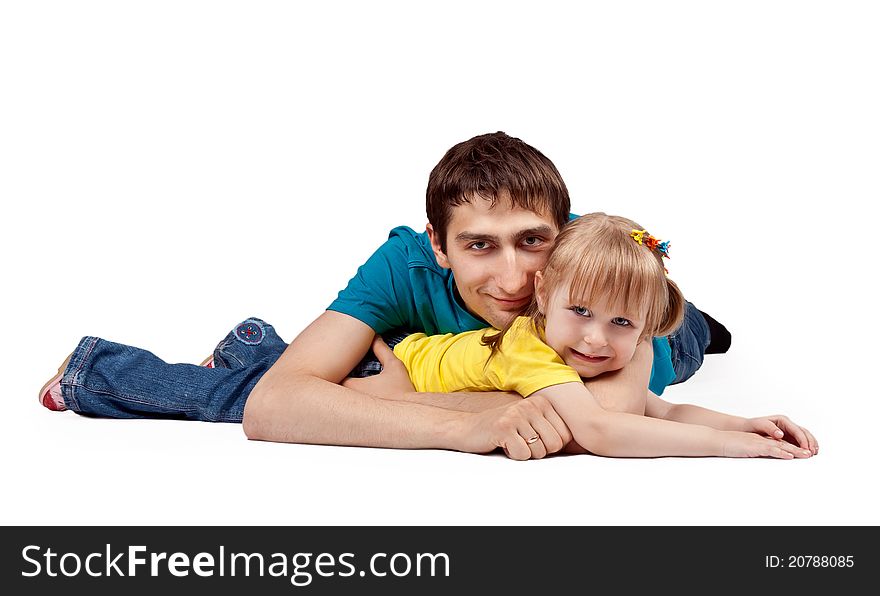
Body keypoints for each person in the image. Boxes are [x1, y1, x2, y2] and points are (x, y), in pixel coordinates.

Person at [38, 132, 732, 460]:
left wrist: (395, 402)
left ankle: (699, 321)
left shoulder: (602, 286)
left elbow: (595, 422)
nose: (518, 280)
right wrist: (466, 426)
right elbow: (275, 406)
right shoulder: (404, 260)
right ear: (437, 245)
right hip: (468, 363)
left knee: (693, 332)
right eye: (479, 246)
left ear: (566, 232)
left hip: (680, 332)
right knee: (316, 384)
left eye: (533, 241)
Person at [376, 213, 817, 459]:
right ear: (543, 293)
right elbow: (600, 431)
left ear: (645, 331)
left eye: (621, 323)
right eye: (581, 312)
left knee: (690, 337)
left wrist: (746, 424)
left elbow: (662, 411)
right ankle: (696, 326)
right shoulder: (527, 347)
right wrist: (729, 445)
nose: (595, 340)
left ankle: (694, 326)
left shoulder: (573, 345)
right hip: (392, 358)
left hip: (668, 329)